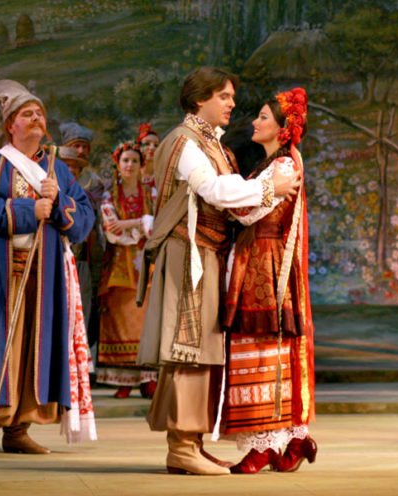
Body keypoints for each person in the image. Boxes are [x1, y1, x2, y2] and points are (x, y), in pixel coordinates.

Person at [137, 66, 300, 476]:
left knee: (205, 350)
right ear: (199, 99)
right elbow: (214, 190)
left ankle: (191, 442)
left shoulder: (213, 144)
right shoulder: (185, 142)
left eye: (231, 96)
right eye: (223, 96)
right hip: (188, 253)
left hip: (208, 253)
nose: (231, 103)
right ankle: (181, 447)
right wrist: (269, 188)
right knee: (187, 349)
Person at [0, 80, 95, 457]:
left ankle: (18, 428)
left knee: (32, 347)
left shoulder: (57, 170)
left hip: (43, 277)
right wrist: (30, 210)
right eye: (27, 114)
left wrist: (58, 205)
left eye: (40, 113)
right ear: (10, 124)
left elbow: (84, 217)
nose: (36, 118)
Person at [219, 87, 316, 474]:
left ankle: (265, 442)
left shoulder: (284, 167)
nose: (254, 122)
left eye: (263, 117)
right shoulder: (268, 167)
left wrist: (225, 194)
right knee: (259, 347)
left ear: (282, 127)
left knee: (264, 347)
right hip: (256, 258)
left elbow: (245, 211)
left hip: (268, 263)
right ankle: (285, 440)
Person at [96, 141, 158, 399]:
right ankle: (124, 379)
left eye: (134, 160)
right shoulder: (109, 196)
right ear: (118, 165)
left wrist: (131, 223)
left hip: (147, 264)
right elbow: (113, 231)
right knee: (121, 318)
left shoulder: (151, 194)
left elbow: (157, 225)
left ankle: (147, 378)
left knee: (146, 321)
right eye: (125, 161)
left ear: (142, 165)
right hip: (120, 265)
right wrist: (141, 224)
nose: (130, 165)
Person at [59, 122, 105, 347]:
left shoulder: (94, 182)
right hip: (58, 253)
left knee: (83, 303)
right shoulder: (51, 179)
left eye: (85, 147)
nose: (81, 151)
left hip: (84, 251)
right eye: (76, 146)